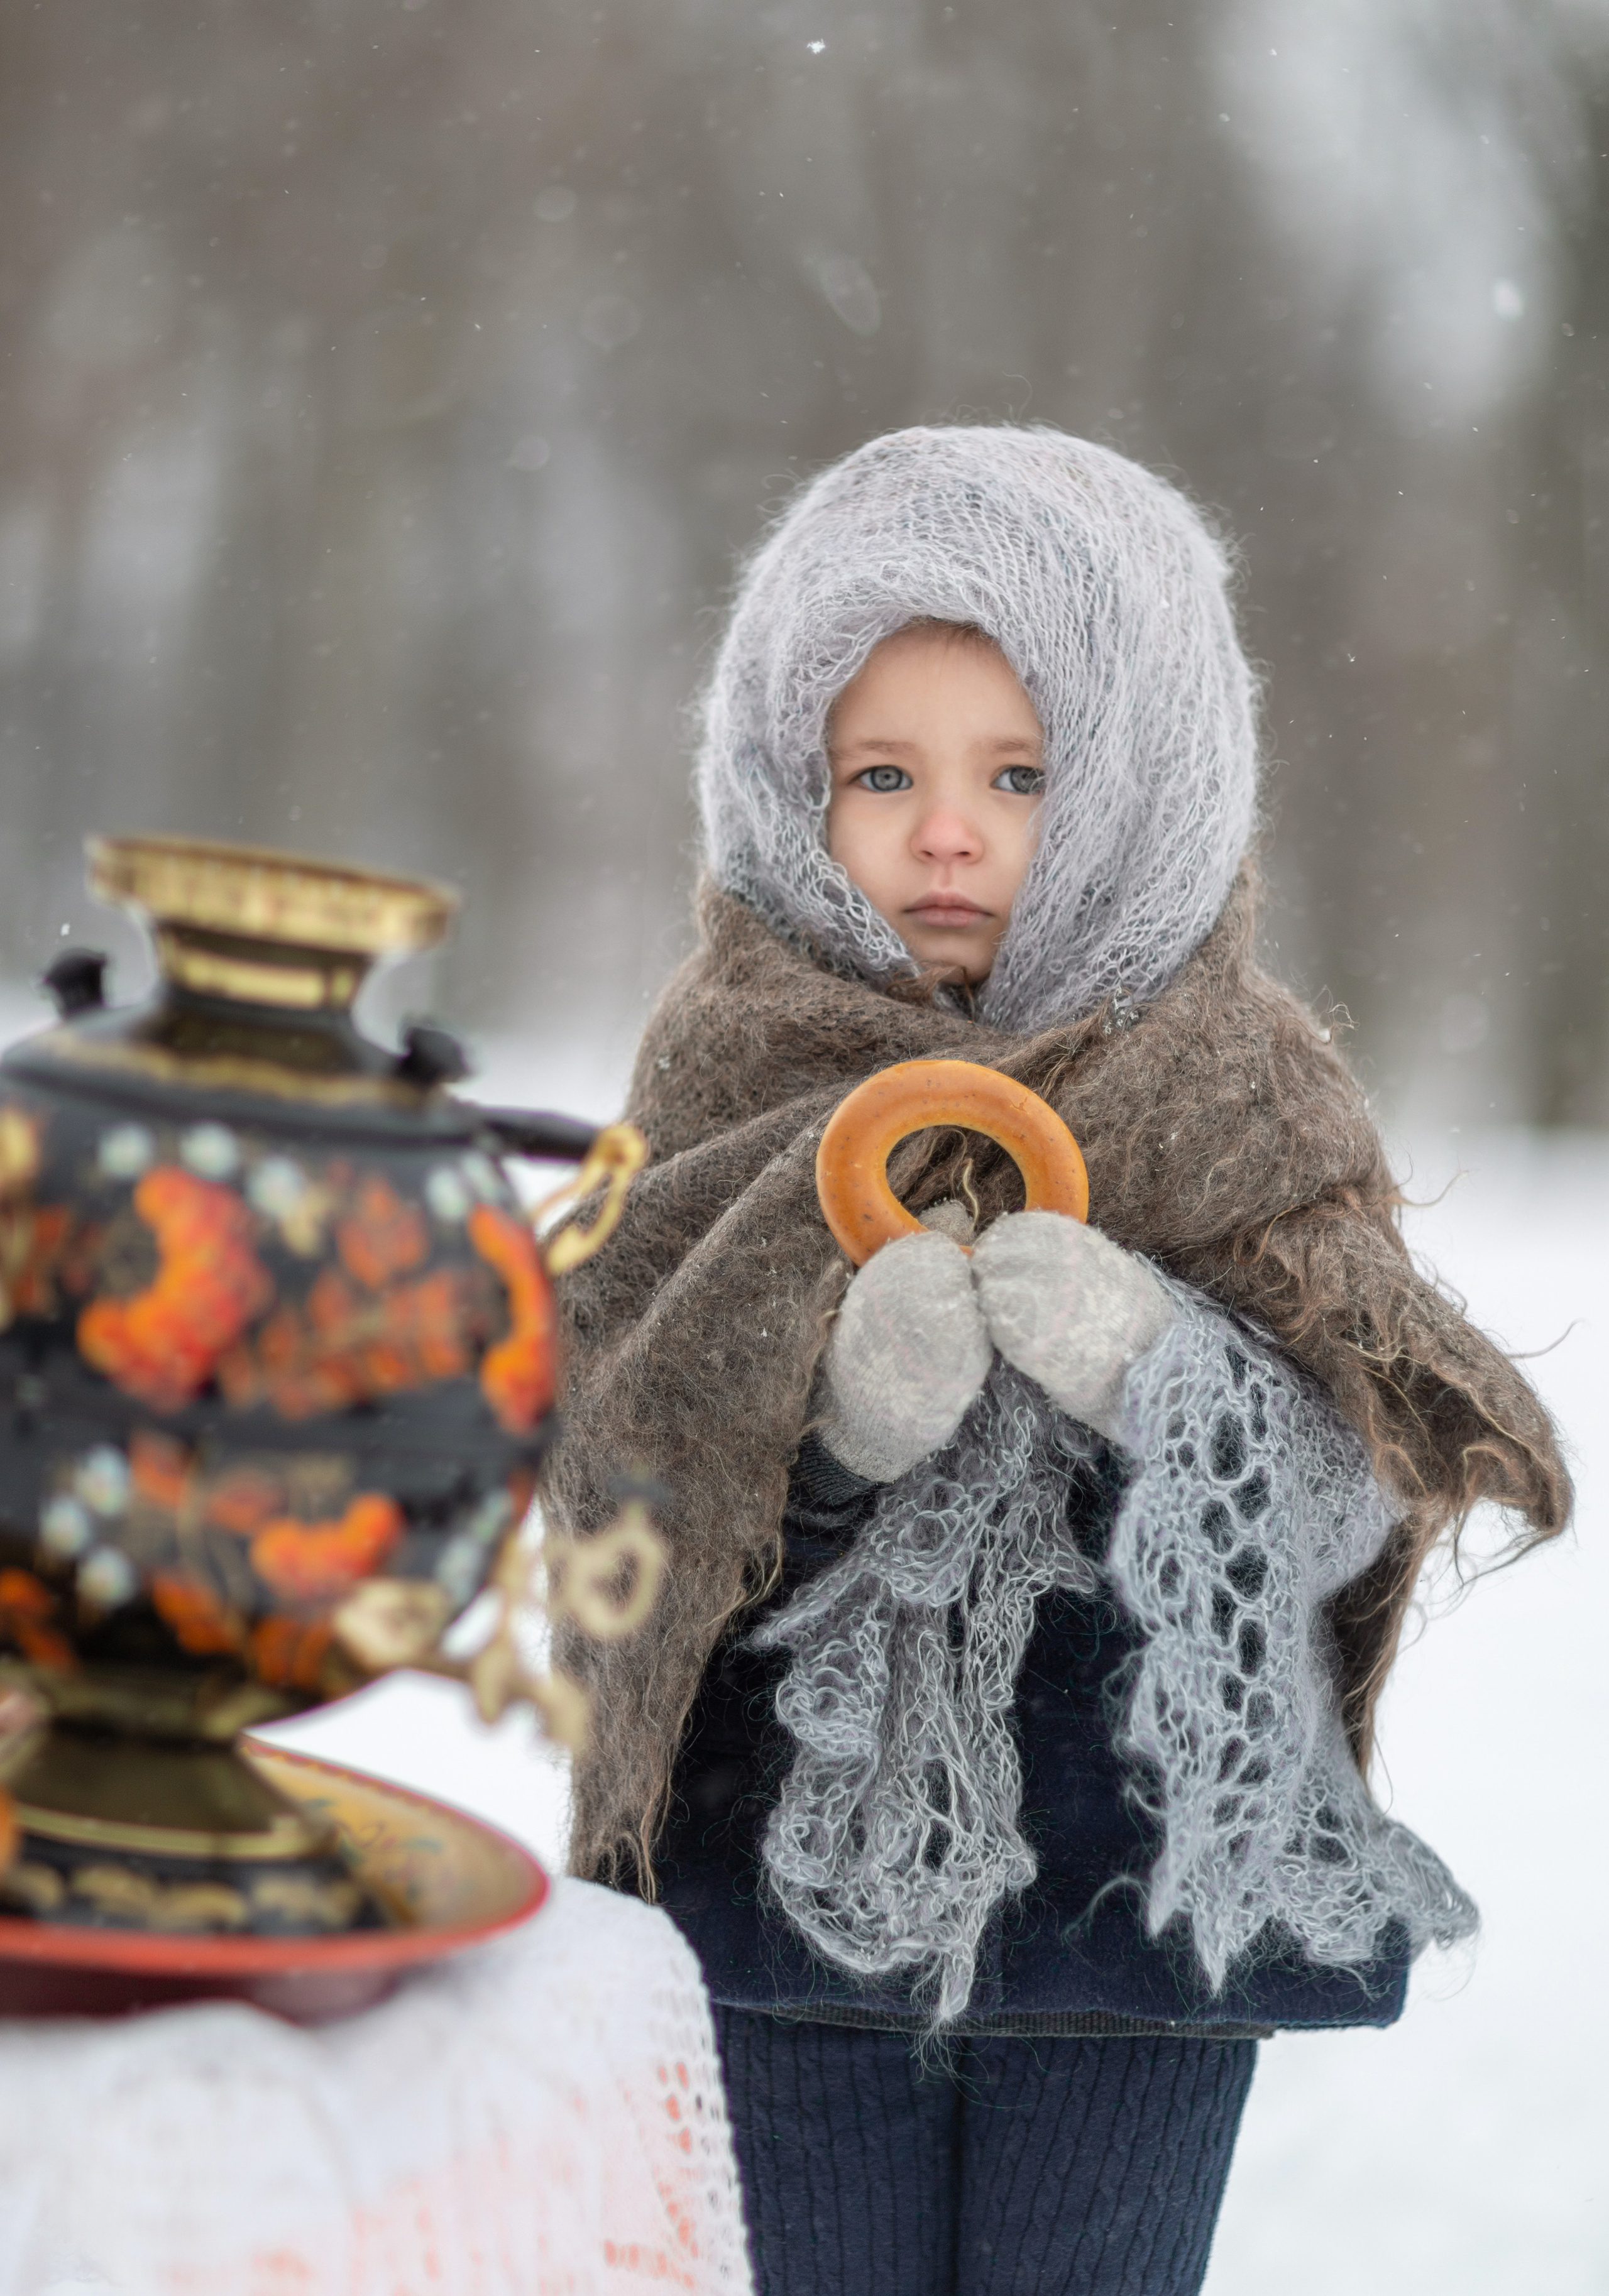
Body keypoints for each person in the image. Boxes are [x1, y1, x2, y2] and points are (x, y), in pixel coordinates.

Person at [544, 425, 1568, 2296]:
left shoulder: (1241, 1094)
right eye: (882, 772)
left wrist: (1163, 1371)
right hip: (776, 1906)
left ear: (1138, 786)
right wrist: (839, 1419)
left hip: (1140, 1908)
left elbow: (1357, 1488)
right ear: (788, 788)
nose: (948, 831)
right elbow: (620, 1451)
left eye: (1019, 775)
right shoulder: (728, 1071)